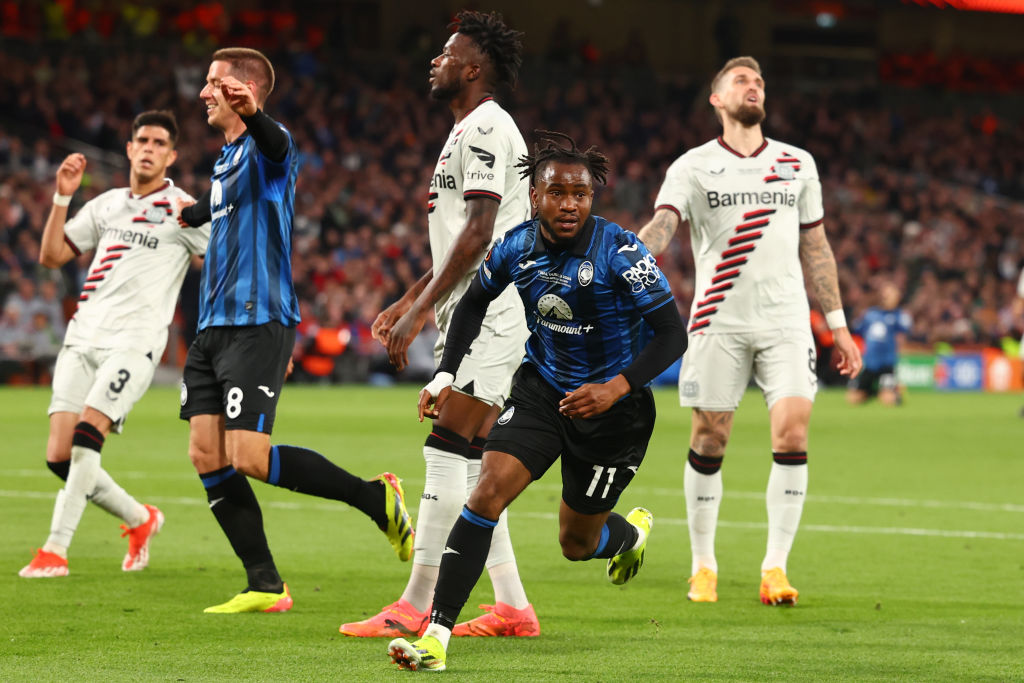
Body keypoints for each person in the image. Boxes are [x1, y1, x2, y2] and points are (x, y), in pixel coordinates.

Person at [387, 131, 686, 672]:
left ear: (592, 198)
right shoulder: (516, 247)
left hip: (615, 413)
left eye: (581, 194)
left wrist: (616, 387)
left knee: (575, 542)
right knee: (485, 495)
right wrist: (446, 375)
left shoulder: (620, 251)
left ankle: (626, 536)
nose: (569, 204)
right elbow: (473, 302)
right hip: (543, 390)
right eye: (557, 193)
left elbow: (672, 334)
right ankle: (436, 636)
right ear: (534, 195)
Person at [177, 47, 413, 613]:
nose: (205, 92)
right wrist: (190, 214)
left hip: (258, 322)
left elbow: (279, 148)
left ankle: (374, 499)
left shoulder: (267, 146)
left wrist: (256, 115)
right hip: (212, 328)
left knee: (249, 457)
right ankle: (264, 583)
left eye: (216, 83)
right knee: (206, 454)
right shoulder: (225, 161)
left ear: (246, 90)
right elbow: (222, 211)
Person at [637, 56, 862, 606]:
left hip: (786, 320)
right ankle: (703, 566)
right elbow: (664, 226)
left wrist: (838, 325)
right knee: (709, 439)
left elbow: (816, 245)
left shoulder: (796, 163)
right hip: (718, 319)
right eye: (741, 80)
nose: (753, 85)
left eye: (759, 80)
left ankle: (775, 569)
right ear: (717, 99)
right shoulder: (692, 166)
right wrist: (628, 261)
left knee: (793, 433)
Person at [344, 11, 538, 638]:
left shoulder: (484, 126)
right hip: (476, 307)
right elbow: (458, 239)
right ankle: (512, 605)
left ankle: (415, 603)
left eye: (447, 53)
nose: (436, 60)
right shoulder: (464, 131)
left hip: (498, 308)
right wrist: (411, 297)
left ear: (473, 69)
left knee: (447, 448)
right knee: (476, 459)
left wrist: (423, 308)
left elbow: (482, 231)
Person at [18, 111, 208, 578]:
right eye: (141, 140)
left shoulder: (183, 209)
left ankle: (55, 550)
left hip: (135, 342)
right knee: (59, 457)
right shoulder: (106, 204)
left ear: (171, 155)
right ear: (128, 149)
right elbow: (51, 255)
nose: (148, 148)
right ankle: (140, 519)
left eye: (158, 142)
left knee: (89, 433)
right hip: (82, 337)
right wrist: (63, 195)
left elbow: (222, 260)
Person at [847, 281, 910, 406]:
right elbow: (856, 329)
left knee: (887, 400)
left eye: (891, 294)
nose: (887, 297)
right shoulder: (870, 314)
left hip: (886, 363)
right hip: (870, 363)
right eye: (885, 294)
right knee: (853, 400)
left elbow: (905, 332)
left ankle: (892, 392)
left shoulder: (899, 316)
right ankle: (875, 391)